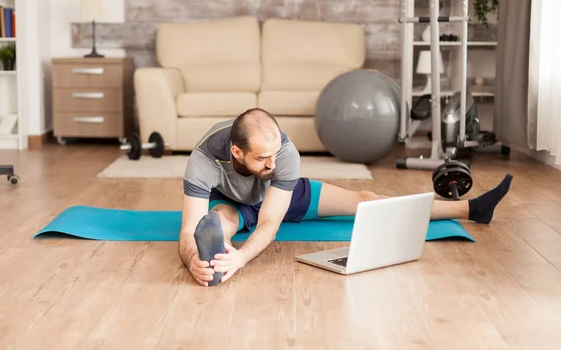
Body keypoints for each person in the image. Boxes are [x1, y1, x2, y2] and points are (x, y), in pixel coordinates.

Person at [178, 108, 513, 286]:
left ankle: (471, 208)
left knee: (364, 198)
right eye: (262, 158)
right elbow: (188, 227)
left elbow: (269, 222)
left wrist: (244, 258)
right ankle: (214, 255)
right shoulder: (204, 160)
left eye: (276, 154)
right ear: (236, 151)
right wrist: (193, 257)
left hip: (280, 195)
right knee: (220, 222)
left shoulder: (283, 156)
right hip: (232, 202)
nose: (273, 163)